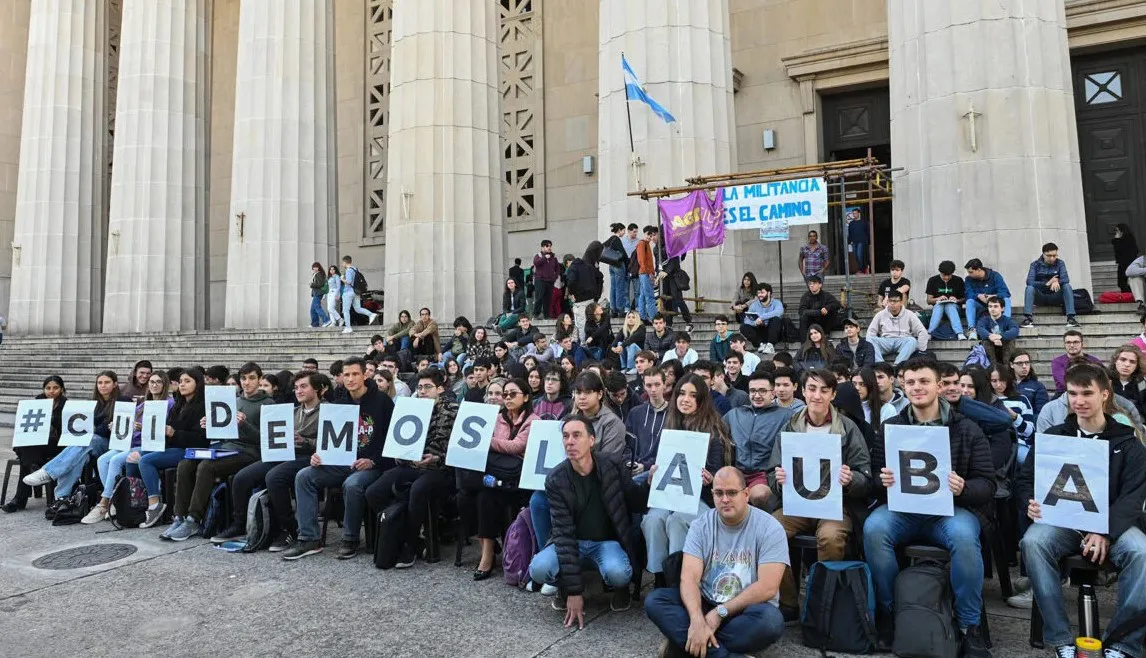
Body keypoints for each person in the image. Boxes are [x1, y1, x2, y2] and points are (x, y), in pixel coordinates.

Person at [865, 358, 996, 656]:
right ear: (903, 386)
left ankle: (969, 626)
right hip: (903, 510)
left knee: (964, 538)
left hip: (951, 511)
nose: (917, 388)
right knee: (874, 529)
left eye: (924, 381)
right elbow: (873, 476)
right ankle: (889, 614)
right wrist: (881, 480)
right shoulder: (891, 427)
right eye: (910, 382)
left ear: (939, 386)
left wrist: (963, 488)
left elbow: (987, 484)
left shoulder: (967, 429)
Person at [1019, 363, 1146, 657]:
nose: (1079, 400)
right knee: (1033, 542)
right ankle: (1060, 638)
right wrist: (1030, 502)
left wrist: (1104, 530)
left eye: (1087, 393)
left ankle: (1122, 643)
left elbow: (1133, 496)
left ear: (1105, 394)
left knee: (1142, 552)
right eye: (1073, 393)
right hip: (1063, 522)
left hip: (1114, 524)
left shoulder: (1128, 442)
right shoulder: (1054, 436)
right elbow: (1026, 480)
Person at [644, 466, 788, 658]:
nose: (725, 499)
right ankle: (718, 652)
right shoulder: (701, 525)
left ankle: (687, 646)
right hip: (706, 601)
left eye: (732, 493)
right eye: (719, 493)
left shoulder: (770, 528)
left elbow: (767, 588)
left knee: (771, 621)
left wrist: (719, 613)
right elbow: (689, 578)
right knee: (655, 601)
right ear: (712, 495)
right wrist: (697, 619)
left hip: (745, 608)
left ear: (746, 494)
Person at [764, 369, 872, 615]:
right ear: (803, 392)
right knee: (770, 531)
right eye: (812, 389)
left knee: (831, 537)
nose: (817, 396)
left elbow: (865, 476)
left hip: (835, 506)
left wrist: (851, 479)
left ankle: (822, 605)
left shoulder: (847, 428)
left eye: (824, 390)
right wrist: (778, 480)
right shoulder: (790, 427)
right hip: (796, 505)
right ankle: (788, 602)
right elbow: (772, 471)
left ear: (833, 394)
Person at [528, 414, 653, 621]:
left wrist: (648, 484)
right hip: (573, 542)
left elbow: (636, 503)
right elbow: (563, 535)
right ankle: (564, 587)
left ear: (592, 440)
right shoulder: (556, 479)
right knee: (538, 569)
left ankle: (620, 589)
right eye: (566, 436)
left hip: (607, 542)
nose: (570, 441)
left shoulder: (612, 465)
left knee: (619, 573)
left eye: (577, 435)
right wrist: (574, 591)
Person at [282, 357, 394, 560]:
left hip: (373, 465)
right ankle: (308, 538)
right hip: (341, 463)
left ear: (365, 375)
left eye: (355, 374)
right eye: (346, 374)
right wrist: (319, 455)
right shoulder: (338, 404)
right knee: (304, 476)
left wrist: (373, 461)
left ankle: (350, 538)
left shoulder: (382, 402)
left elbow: (391, 440)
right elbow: (329, 439)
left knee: (352, 484)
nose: (350, 379)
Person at [164, 362, 273, 542]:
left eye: (252, 378)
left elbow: (267, 439)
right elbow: (223, 435)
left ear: (260, 380)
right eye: (243, 378)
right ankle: (179, 517)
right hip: (226, 448)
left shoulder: (268, 404)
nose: (247, 382)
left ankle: (194, 519)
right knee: (185, 463)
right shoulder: (235, 401)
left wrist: (244, 424)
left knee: (206, 466)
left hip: (250, 452)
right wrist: (211, 425)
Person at [642, 374, 734, 586]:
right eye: (682, 393)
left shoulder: (714, 430)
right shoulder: (670, 426)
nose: (685, 399)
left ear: (701, 400)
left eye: (693, 395)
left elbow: (719, 474)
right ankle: (659, 577)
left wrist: (711, 479)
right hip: (670, 495)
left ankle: (680, 579)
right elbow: (661, 463)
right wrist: (653, 474)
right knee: (653, 520)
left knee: (677, 521)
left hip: (701, 499)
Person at [364, 368, 458, 568]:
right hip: (410, 465)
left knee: (418, 489)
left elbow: (459, 449)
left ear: (440, 389)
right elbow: (399, 444)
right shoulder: (410, 409)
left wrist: (437, 458)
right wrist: (401, 454)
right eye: (420, 387)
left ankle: (410, 543)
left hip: (440, 469)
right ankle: (406, 534)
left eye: (427, 387)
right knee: (374, 491)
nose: (422, 391)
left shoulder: (452, 410)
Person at [458, 378, 537, 579]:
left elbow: (517, 446)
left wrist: (484, 440)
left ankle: (488, 556)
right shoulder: (497, 417)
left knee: (480, 493)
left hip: (516, 480)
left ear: (525, 397)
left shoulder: (533, 420)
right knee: (469, 496)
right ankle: (488, 550)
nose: (507, 398)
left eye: (513, 394)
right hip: (494, 475)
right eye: (505, 394)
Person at [24, 372, 128, 516]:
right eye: (100, 383)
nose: (103, 386)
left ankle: (49, 472)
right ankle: (62, 498)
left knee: (88, 439)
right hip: (93, 445)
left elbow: (106, 430)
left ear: (115, 384)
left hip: (114, 445)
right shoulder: (95, 403)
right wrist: (97, 428)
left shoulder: (123, 400)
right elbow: (94, 427)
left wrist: (96, 429)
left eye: (107, 382)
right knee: (79, 455)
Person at [84, 371, 172, 524]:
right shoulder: (143, 404)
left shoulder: (170, 403)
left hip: (150, 445)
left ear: (165, 385)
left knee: (116, 460)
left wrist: (143, 428)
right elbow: (129, 423)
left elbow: (164, 429)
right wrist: (117, 425)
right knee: (103, 460)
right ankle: (115, 501)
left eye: (158, 382)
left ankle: (104, 503)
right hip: (132, 443)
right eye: (152, 382)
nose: (154, 385)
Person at [139, 370, 207, 529]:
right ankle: (136, 504)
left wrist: (174, 433)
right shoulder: (179, 404)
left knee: (145, 461)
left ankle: (154, 505)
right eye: (181, 381)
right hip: (172, 447)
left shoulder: (202, 406)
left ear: (198, 384)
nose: (182, 384)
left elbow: (201, 439)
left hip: (189, 450)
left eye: (187, 381)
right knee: (133, 457)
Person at [724, 372, 794, 509]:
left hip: (764, 474)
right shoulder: (735, 414)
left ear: (772, 393)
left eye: (762, 391)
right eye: (753, 391)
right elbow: (716, 433)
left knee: (759, 495)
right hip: (737, 471)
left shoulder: (786, 416)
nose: (757, 395)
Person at [624, 367, 670, 477]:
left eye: (657, 385)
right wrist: (631, 462)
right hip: (634, 469)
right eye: (649, 385)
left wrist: (646, 465)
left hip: (662, 471)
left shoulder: (674, 415)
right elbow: (626, 444)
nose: (653, 389)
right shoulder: (635, 413)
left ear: (664, 385)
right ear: (644, 386)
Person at [1022, 242, 1080, 328]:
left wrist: (1057, 280)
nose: (1052, 258)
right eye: (1049, 256)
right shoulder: (1035, 265)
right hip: (1040, 297)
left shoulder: (1060, 263)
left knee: (1067, 286)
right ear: (1043, 254)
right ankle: (1028, 319)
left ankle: (1071, 318)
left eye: (1054, 255)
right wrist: (1047, 283)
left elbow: (1066, 279)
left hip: (1055, 296)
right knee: (1029, 288)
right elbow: (1029, 282)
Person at [988, 364, 1035, 464]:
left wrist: (1015, 417)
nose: (999, 385)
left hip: (1019, 443)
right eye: (994, 381)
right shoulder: (986, 400)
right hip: (993, 443)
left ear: (1008, 380)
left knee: (1028, 462)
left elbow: (1030, 432)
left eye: (1002, 380)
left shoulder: (1021, 399)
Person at [867, 290, 929, 364]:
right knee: (870, 339)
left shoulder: (909, 314)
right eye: (890, 301)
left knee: (912, 341)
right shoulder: (880, 314)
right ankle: (881, 365)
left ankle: (898, 365)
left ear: (901, 302)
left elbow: (922, 331)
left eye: (895, 301)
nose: (892, 303)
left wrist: (921, 350)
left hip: (902, 341)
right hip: (885, 341)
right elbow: (871, 332)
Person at [963, 258, 1012, 337]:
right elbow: (967, 294)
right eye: (968, 272)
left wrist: (993, 296)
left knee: (1006, 300)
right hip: (980, 305)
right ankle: (972, 329)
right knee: (969, 302)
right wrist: (978, 296)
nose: (969, 274)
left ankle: (1005, 326)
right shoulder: (968, 279)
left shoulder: (995, 276)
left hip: (995, 303)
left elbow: (1005, 292)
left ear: (979, 270)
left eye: (971, 272)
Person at [925, 260, 967, 339]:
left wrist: (957, 300)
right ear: (940, 272)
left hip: (954, 308)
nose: (946, 278)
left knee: (949, 305)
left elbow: (965, 298)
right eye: (944, 275)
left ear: (952, 273)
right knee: (939, 305)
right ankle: (930, 332)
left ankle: (959, 333)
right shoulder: (933, 280)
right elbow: (929, 301)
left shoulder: (958, 280)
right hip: (938, 308)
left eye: (949, 275)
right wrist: (938, 299)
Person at [975, 296, 1020, 366]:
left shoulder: (1008, 320)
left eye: (995, 306)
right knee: (986, 341)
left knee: (1010, 341)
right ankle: (992, 368)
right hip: (989, 347)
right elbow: (980, 329)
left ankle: (1007, 368)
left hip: (1004, 346)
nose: (992, 309)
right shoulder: (984, 320)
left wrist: (1000, 336)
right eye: (990, 306)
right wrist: (990, 336)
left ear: (1002, 308)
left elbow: (1014, 330)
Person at [741, 283, 785, 354]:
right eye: (758, 293)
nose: (760, 295)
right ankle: (761, 345)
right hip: (760, 332)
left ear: (769, 293)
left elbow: (779, 312)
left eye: (762, 292)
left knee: (775, 319)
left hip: (774, 332)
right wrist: (755, 323)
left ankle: (770, 346)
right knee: (743, 327)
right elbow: (746, 320)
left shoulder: (776, 303)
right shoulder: (754, 305)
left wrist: (762, 317)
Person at [339, 255, 379, 332]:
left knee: (346, 310)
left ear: (345, 262)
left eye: (342, 263)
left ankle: (348, 327)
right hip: (356, 292)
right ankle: (371, 314)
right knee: (358, 309)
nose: (342, 264)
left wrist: (342, 279)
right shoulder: (355, 269)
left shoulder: (348, 270)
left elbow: (349, 282)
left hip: (348, 292)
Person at [797, 275, 841, 340]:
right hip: (811, 322)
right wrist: (818, 312)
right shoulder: (805, 296)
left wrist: (827, 308)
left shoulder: (826, 295)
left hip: (824, 321)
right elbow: (801, 311)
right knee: (804, 315)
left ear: (820, 285)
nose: (811, 285)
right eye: (810, 284)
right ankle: (804, 341)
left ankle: (825, 333)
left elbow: (837, 304)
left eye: (814, 283)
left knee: (832, 309)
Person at [1011, 350, 1049, 416]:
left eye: (1027, 363)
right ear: (1011, 365)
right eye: (1019, 363)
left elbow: (1041, 413)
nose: (1024, 366)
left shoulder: (1038, 386)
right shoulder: (1005, 384)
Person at [1110, 345, 1146, 414]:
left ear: (1137, 365)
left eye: (1132, 362)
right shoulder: (1106, 379)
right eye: (1123, 359)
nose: (1127, 364)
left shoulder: (1141, 383)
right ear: (1115, 361)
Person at [604, 222, 630, 317]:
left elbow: (602, 246)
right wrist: (628, 262)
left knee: (613, 288)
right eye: (623, 230)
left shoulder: (611, 239)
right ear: (619, 230)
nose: (624, 232)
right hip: (619, 265)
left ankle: (613, 310)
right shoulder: (617, 239)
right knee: (620, 288)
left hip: (611, 265)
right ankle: (620, 310)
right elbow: (623, 254)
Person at [661, 254, 693, 331]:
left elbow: (676, 260)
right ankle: (669, 324)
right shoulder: (657, 248)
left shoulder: (673, 248)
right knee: (667, 301)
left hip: (673, 276)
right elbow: (658, 262)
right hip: (664, 277)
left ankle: (688, 321)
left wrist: (667, 271)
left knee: (678, 299)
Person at [636, 226, 659, 322]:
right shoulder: (642, 244)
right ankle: (654, 318)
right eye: (648, 234)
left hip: (644, 273)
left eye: (651, 235)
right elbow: (641, 261)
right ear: (644, 233)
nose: (650, 237)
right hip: (645, 274)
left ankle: (643, 317)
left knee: (643, 296)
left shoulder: (645, 244)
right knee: (650, 296)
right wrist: (650, 273)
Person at [533, 240, 560, 319]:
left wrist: (554, 277)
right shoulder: (538, 255)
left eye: (550, 246)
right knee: (539, 297)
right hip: (540, 280)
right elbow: (536, 263)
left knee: (548, 299)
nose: (549, 248)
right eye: (547, 246)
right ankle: (536, 314)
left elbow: (557, 268)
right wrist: (544, 258)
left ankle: (547, 315)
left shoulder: (553, 257)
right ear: (542, 247)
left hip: (550, 281)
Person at [1113, 222, 1140, 295]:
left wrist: (1117, 239)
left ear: (1122, 230)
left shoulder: (1128, 239)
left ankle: (1128, 296)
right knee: (1122, 283)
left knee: (1125, 283)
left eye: (1117, 230)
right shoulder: (1123, 239)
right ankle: (1127, 296)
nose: (1116, 232)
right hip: (1124, 264)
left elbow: (1121, 250)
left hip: (1128, 264)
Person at [846, 207, 870, 273]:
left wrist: (868, 241)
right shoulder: (851, 223)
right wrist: (849, 242)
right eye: (853, 213)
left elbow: (867, 232)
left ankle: (861, 269)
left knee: (860, 255)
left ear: (859, 213)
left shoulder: (864, 222)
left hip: (861, 241)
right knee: (856, 256)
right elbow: (850, 233)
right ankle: (861, 268)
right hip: (854, 242)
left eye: (855, 213)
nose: (854, 215)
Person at [308, 261, 330, 328]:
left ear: (319, 268)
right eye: (314, 267)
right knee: (312, 309)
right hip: (316, 293)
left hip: (318, 293)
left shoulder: (319, 274)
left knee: (317, 308)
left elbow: (320, 284)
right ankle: (315, 323)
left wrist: (312, 284)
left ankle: (326, 320)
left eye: (316, 267)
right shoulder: (315, 274)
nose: (315, 268)